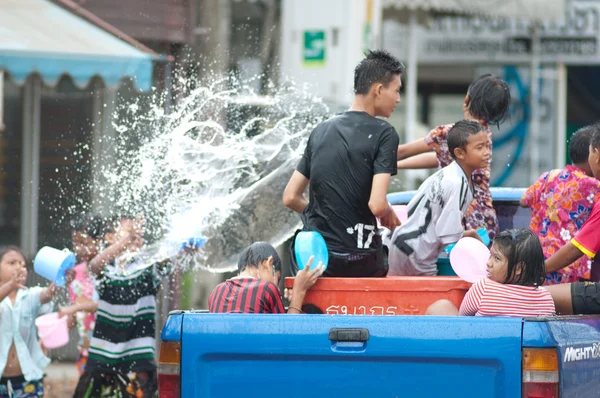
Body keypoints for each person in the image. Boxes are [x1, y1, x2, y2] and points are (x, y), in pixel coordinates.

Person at [283, 50, 403, 278]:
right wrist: (387, 211)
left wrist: (324, 216)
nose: (398, 99)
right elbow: (377, 205)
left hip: (318, 260)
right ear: (378, 90)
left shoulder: (321, 130)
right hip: (362, 262)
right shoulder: (385, 134)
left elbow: (290, 197)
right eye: (396, 91)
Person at [396, 74, 511, 241]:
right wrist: (397, 166)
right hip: (485, 223)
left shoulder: (448, 133)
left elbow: (403, 151)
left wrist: (371, 158)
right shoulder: (484, 135)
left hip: (460, 223)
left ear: (466, 99)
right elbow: (440, 158)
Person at [73, 215, 166, 398]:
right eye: (127, 232)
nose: (133, 238)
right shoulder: (108, 271)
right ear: (110, 238)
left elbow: (168, 258)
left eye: (137, 235)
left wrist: (187, 247)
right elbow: (94, 266)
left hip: (139, 357)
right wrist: (124, 242)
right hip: (103, 356)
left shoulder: (148, 270)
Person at [384, 120, 489, 276]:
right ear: (460, 153)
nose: (487, 152)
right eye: (480, 148)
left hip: (401, 242)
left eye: (487, 146)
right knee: (429, 298)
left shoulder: (447, 174)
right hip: (418, 253)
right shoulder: (457, 184)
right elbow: (447, 235)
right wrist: (471, 235)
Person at [520, 126, 600, 285]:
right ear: (590, 155)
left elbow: (524, 200)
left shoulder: (549, 176)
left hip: (540, 256)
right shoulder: (594, 186)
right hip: (571, 264)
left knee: (541, 303)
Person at [425, 229, 555, 317]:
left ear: (519, 268)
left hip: (480, 349)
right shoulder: (546, 298)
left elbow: (463, 319)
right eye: (490, 255)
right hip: (522, 350)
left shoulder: (483, 288)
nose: (488, 263)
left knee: (442, 306)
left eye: (496, 258)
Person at [0, 246, 73, 398]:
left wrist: (60, 278)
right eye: (12, 263)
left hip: (28, 379)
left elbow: (47, 294)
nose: (19, 267)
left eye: (23, 264)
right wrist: (9, 286)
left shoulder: (30, 295)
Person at [544, 128, 600, 315]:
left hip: (564, 267)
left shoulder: (549, 177)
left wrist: (536, 271)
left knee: (539, 296)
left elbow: (578, 247)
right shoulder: (594, 188)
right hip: (578, 272)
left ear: (597, 154)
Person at [209, 242, 322, 314]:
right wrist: (299, 290)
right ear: (268, 263)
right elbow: (286, 333)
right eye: (276, 280)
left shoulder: (217, 290)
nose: (276, 288)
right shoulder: (267, 288)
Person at [60, 214, 104, 375]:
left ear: (99, 241)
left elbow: (106, 305)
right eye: (75, 243)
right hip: (86, 350)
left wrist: (73, 309)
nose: (78, 248)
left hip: (111, 351)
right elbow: (76, 312)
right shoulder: (76, 273)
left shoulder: (109, 271)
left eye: (84, 243)